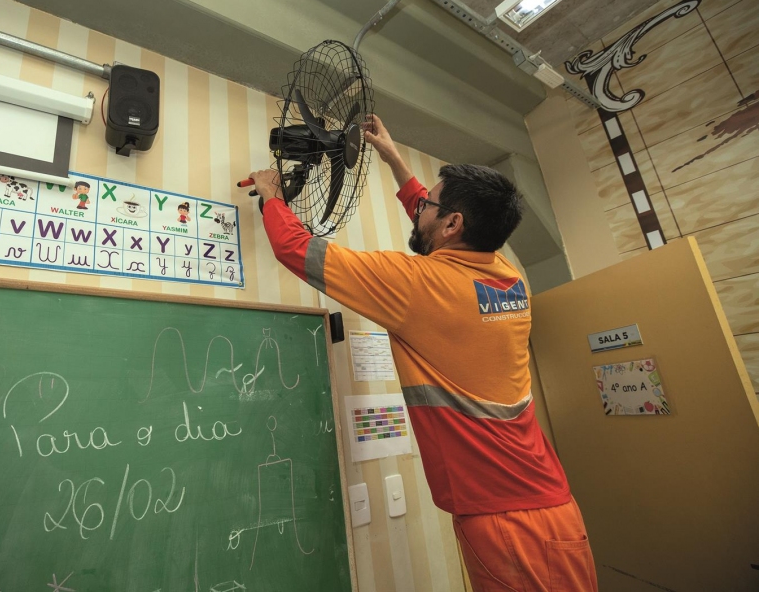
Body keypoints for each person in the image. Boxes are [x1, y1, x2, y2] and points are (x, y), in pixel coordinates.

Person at [246, 114, 597, 591]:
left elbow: (297, 250)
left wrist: (271, 195)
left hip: (504, 522)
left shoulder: (418, 285)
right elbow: (435, 222)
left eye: (429, 205)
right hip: (555, 509)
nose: (419, 209)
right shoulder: (508, 277)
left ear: (453, 223)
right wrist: (393, 159)